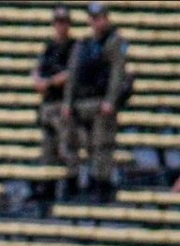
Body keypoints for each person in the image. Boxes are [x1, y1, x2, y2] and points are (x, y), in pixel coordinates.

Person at [61, 2, 129, 203]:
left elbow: (117, 74)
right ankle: (81, 183)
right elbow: (73, 74)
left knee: (102, 145)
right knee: (82, 144)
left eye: (100, 18)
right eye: (94, 18)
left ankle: (102, 184)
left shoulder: (114, 42)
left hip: (101, 102)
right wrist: (67, 102)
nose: (97, 22)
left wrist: (111, 100)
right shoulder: (84, 44)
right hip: (83, 102)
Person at [31, 5, 75, 210]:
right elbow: (37, 70)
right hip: (48, 105)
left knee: (66, 148)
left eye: (64, 22)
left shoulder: (75, 46)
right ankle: (46, 191)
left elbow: (71, 73)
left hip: (63, 104)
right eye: (58, 22)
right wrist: (39, 80)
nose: (60, 26)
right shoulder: (49, 46)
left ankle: (70, 189)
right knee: (47, 151)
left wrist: (48, 83)